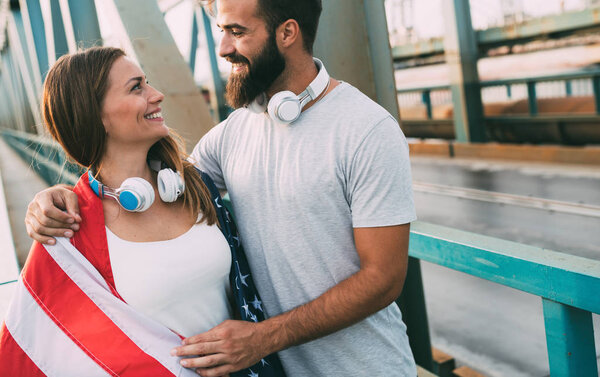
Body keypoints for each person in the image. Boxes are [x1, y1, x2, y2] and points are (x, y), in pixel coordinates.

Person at [25, 0, 418, 376]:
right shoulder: (230, 136)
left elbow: (383, 278)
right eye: (220, 30)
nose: (223, 47)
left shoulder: (367, 130)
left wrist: (265, 337)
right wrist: (57, 196)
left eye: (236, 31)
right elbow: (160, 186)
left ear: (287, 33)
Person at [0, 46, 285, 377]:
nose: (157, 94)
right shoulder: (70, 232)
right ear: (96, 115)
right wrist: (49, 197)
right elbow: (38, 351)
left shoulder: (193, 183)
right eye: (137, 87)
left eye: (147, 82)